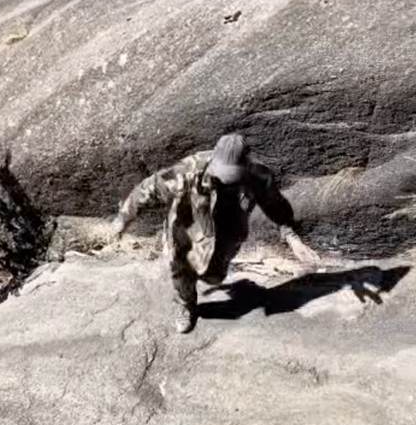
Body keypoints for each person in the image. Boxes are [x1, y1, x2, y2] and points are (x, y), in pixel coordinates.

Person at [112, 133, 319, 333]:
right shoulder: (189, 170)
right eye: (222, 174)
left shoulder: (258, 175)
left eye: (233, 175)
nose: (227, 180)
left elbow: (276, 204)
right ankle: (187, 305)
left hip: (227, 230)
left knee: (213, 276)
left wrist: (291, 237)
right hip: (187, 225)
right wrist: (123, 218)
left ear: (247, 163)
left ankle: (215, 279)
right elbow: (149, 189)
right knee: (181, 268)